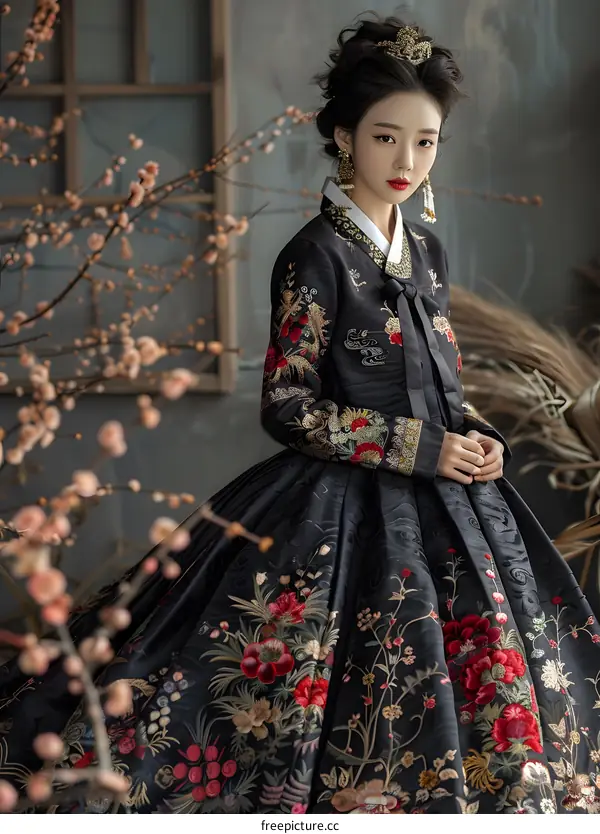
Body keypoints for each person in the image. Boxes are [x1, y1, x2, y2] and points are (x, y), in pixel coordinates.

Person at [1, 15, 599, 815]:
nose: (407, 161)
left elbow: (444, 385)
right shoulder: (315, 253)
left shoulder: (425, 250)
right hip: (339, 501)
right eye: (387, 138)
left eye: (426, 143)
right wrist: (419, 447)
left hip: (455, 502)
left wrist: (477, 441)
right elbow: (287, 405)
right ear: (345, 137)